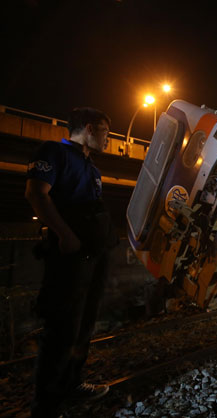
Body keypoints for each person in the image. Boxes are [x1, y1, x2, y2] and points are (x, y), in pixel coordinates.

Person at [25, 107, 118, 417]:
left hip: (92, 254)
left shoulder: (89, 164)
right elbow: (37, 193)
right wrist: (65, 235)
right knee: (62, 327)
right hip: (71, 257)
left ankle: (72, 384)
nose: (109, 139)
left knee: (84, 324)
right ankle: (47, 405)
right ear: (90, 128)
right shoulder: (54, 151)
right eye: (106, 132)